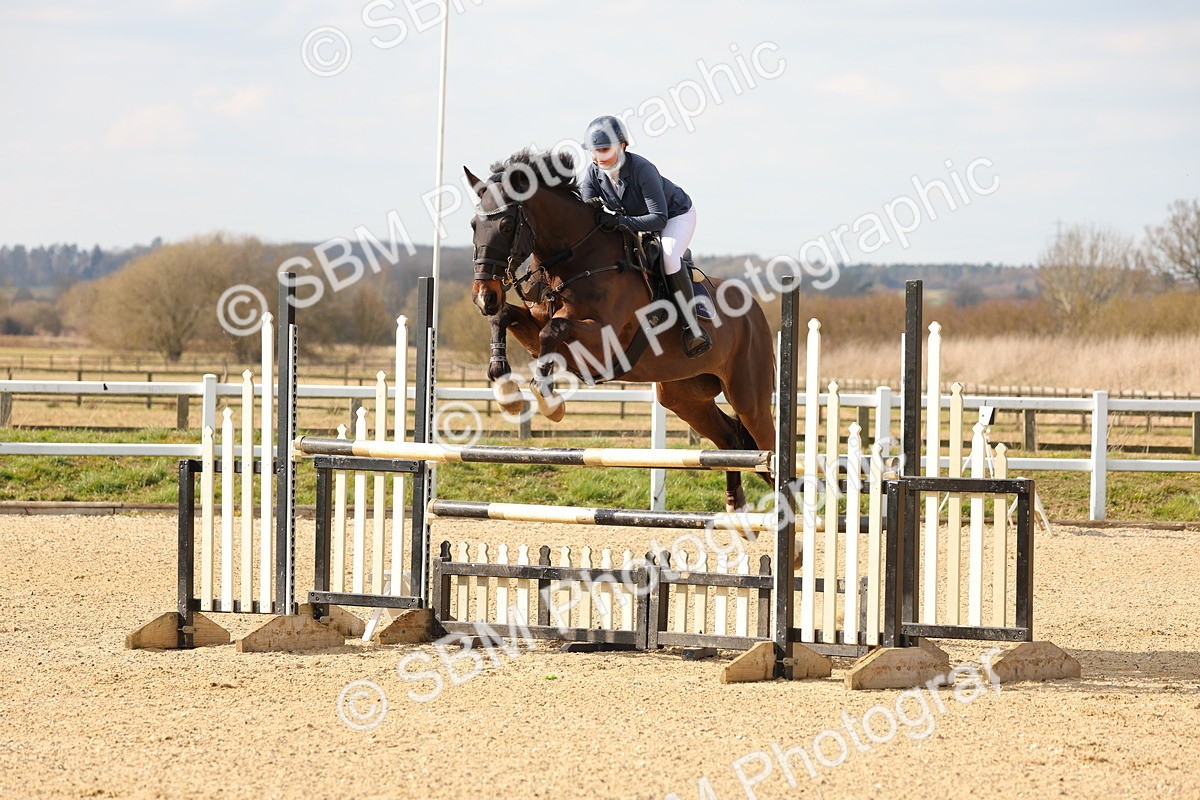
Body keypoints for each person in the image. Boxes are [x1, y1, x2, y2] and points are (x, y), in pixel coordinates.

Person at [578, 115, 711, 357]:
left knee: (669, 258)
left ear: (622, 146)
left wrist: (618, 221)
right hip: (637, 222)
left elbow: (659, 218)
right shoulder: (593, 174)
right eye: (594, 151)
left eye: (605, 149)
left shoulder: (642, 170)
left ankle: (692, 327)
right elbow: (585, 213)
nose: (598, 157)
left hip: (674, 216)